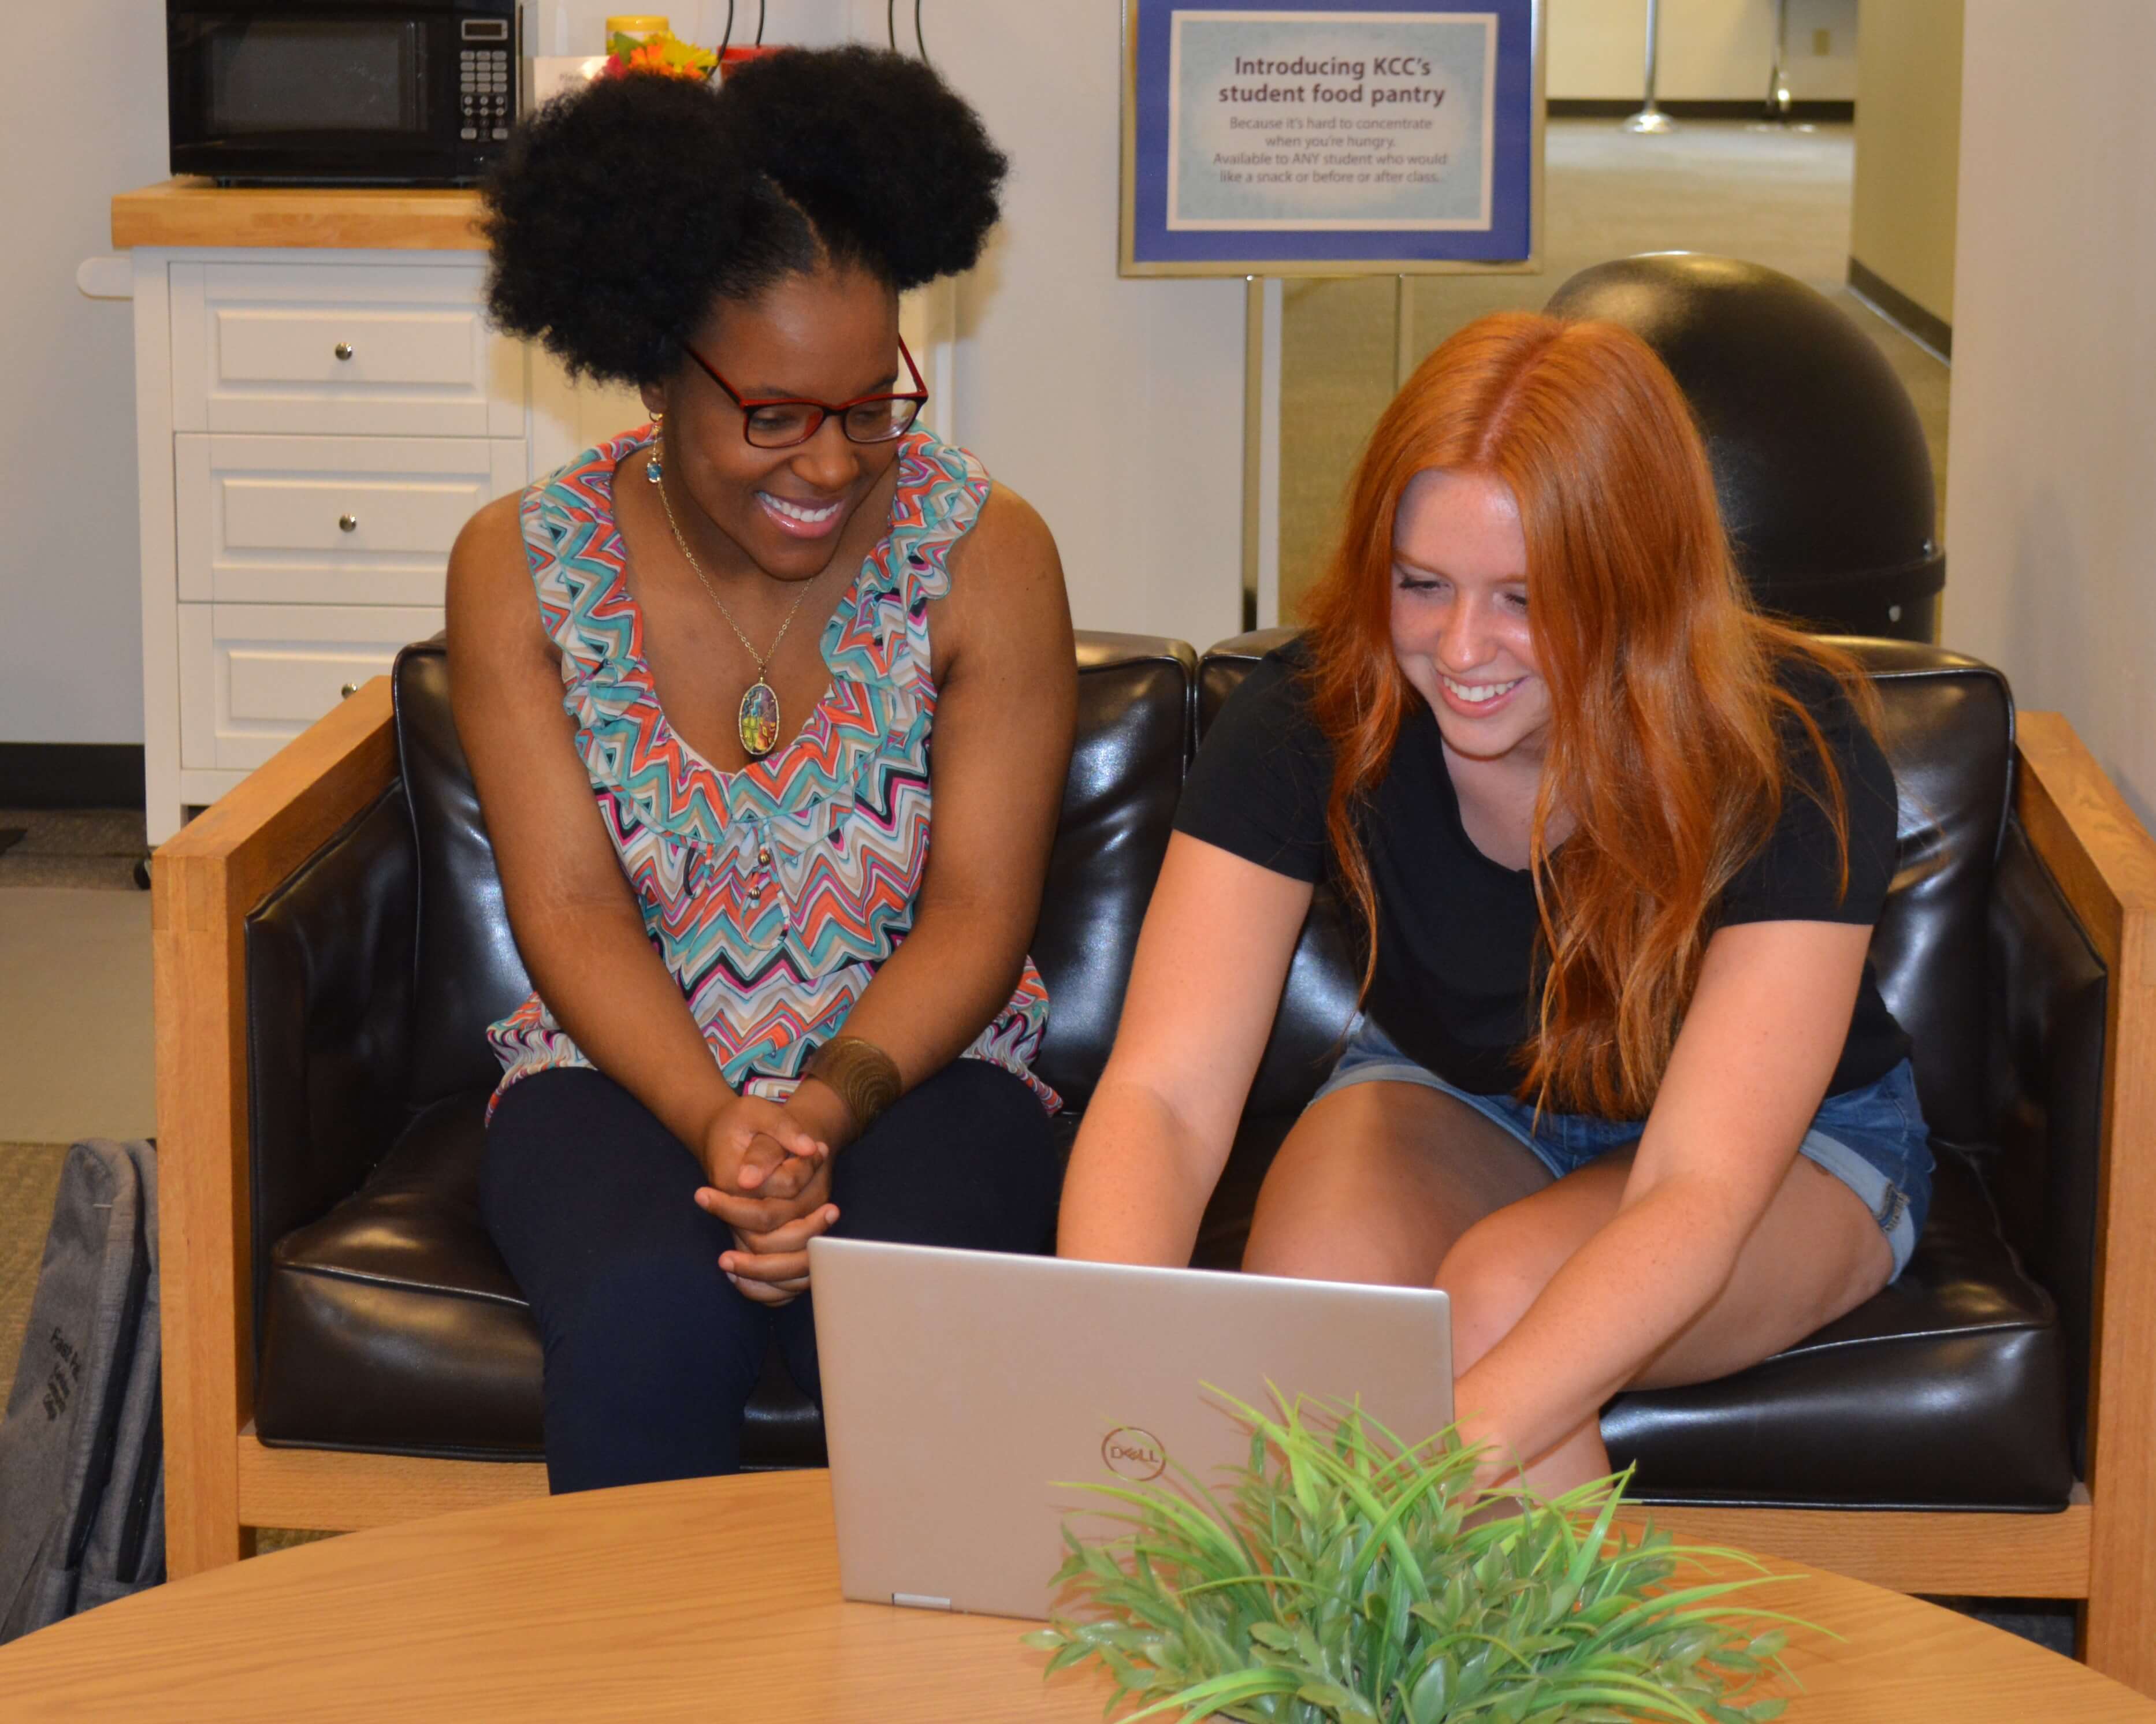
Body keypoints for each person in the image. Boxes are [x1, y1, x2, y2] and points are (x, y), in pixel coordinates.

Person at [1057, 311, 1931, 1494]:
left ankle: (1580, 1686)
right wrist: (1112, 1356)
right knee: (1319, 1343)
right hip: (1456, 1094)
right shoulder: (1311, 711)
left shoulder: (1787, 747)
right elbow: (1163, 1094)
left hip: (1785, 1150)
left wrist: (1427, 1471)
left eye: (1524, 597)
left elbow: (1696, 1186)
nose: (1462, 646)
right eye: (1421, 584)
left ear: (1635, 582)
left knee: (1506, 1305)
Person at [449, 50, 1075, 1492]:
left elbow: (979, 911)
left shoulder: (984, 552)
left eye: (871, 405)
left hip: (925, 1067)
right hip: (614, 1068)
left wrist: (816, 1109)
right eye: (775, 413)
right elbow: (571, 909)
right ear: (660, 358)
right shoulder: (521, 565)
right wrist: (718, 1115)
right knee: (644, 1318)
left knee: (916, 1318)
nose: (833, 463)